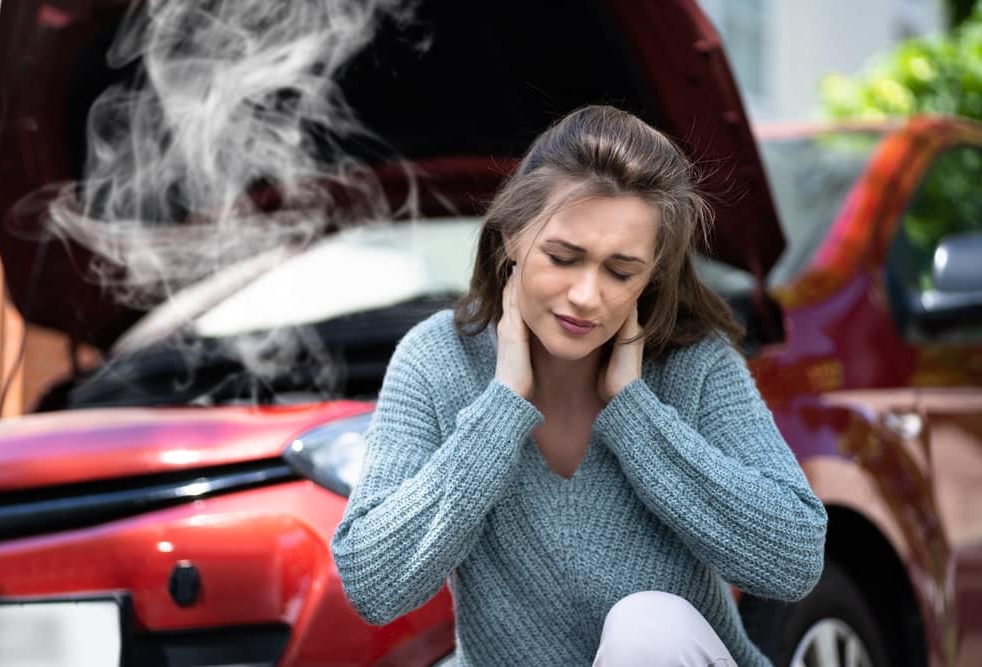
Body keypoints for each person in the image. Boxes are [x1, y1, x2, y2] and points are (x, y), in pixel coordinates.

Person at [331, 105, 828, 666]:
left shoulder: (693, 363)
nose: (587, 296)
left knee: (649, 628)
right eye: (563, 258)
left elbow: (795, 558)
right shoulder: (436, 358)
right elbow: (372, 583)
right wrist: (501, 408)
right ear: (512, 237)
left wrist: (637, 415)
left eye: (621, 272)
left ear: (652, 275)